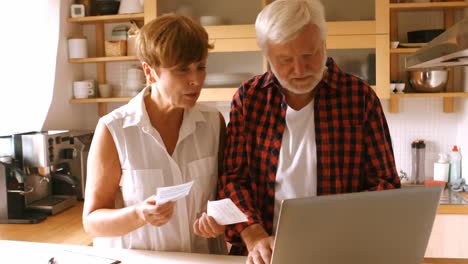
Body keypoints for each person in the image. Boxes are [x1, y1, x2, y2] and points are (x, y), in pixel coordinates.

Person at [217, 0, 401, 262]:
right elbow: (232, 180)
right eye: (285, 60)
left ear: (324, 44)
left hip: (341, 252)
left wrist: (341, 231)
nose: (300, 70)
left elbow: (386, 185)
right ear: (268, 56)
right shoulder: (249, 98)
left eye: (309, 55)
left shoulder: (359, 98)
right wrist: (254, 235)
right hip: (265, 256)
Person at [82, 14, 227, 254]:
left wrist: (220, 222)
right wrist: (139, 214)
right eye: (182, 70)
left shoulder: (213, 123)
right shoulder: (114, 130)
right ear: (150, 72)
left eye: (200, 67)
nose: (196, 80)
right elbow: (92, 222)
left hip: (202, 259)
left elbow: (224, 196)